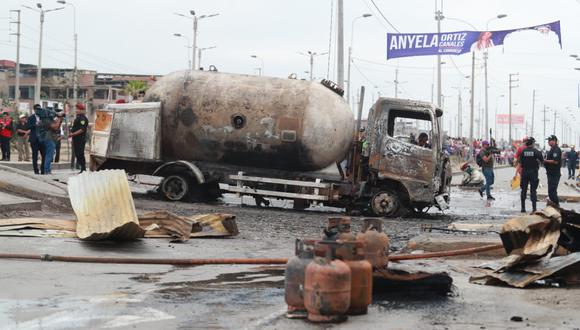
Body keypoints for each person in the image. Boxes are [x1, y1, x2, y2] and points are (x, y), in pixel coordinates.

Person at [519, 137, 544, 213]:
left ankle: (523, 208)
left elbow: (520, 163)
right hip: (533, 172)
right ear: (532, 143)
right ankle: (534, 208)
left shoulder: (523, 152)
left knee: (524, 190)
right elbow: (542, 161)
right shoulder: (536, 152)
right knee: (533, 190)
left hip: (525, 172)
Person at [69, 103, 89, 173]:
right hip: (76, 138)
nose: (76, 110)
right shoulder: (78, 117)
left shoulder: (83, 118)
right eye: (76, 109)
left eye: (77, 109)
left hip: (80, 139)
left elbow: (82, 129)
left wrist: (73, 134)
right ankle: (82, 168)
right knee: (77, 154)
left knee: (80, 153)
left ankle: (83, 168)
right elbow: (74, 127)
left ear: (81, 110)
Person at [544, 135, 562, 206]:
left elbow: (555, 161)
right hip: (550, 173)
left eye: (549, 140)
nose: (548, 142)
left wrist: (545, 161)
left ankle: (557, 205)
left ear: (554, 140)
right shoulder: (552, 149)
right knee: (550, 191)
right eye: (548, 140)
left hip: (554, 173)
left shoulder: (556, 149)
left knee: (552, 191)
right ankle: (553, 206)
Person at [28, 105, 46, 174]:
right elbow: (28, 126)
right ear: (34, 110)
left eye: (40, 109)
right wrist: (35, 124)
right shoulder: (31, 118)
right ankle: (36, 170)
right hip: (34, 139)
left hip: (42, 139)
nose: (38, 110)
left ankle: (43, 170)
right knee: (34, 155)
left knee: (44, 155)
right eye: (37, 109)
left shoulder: (43, 117)